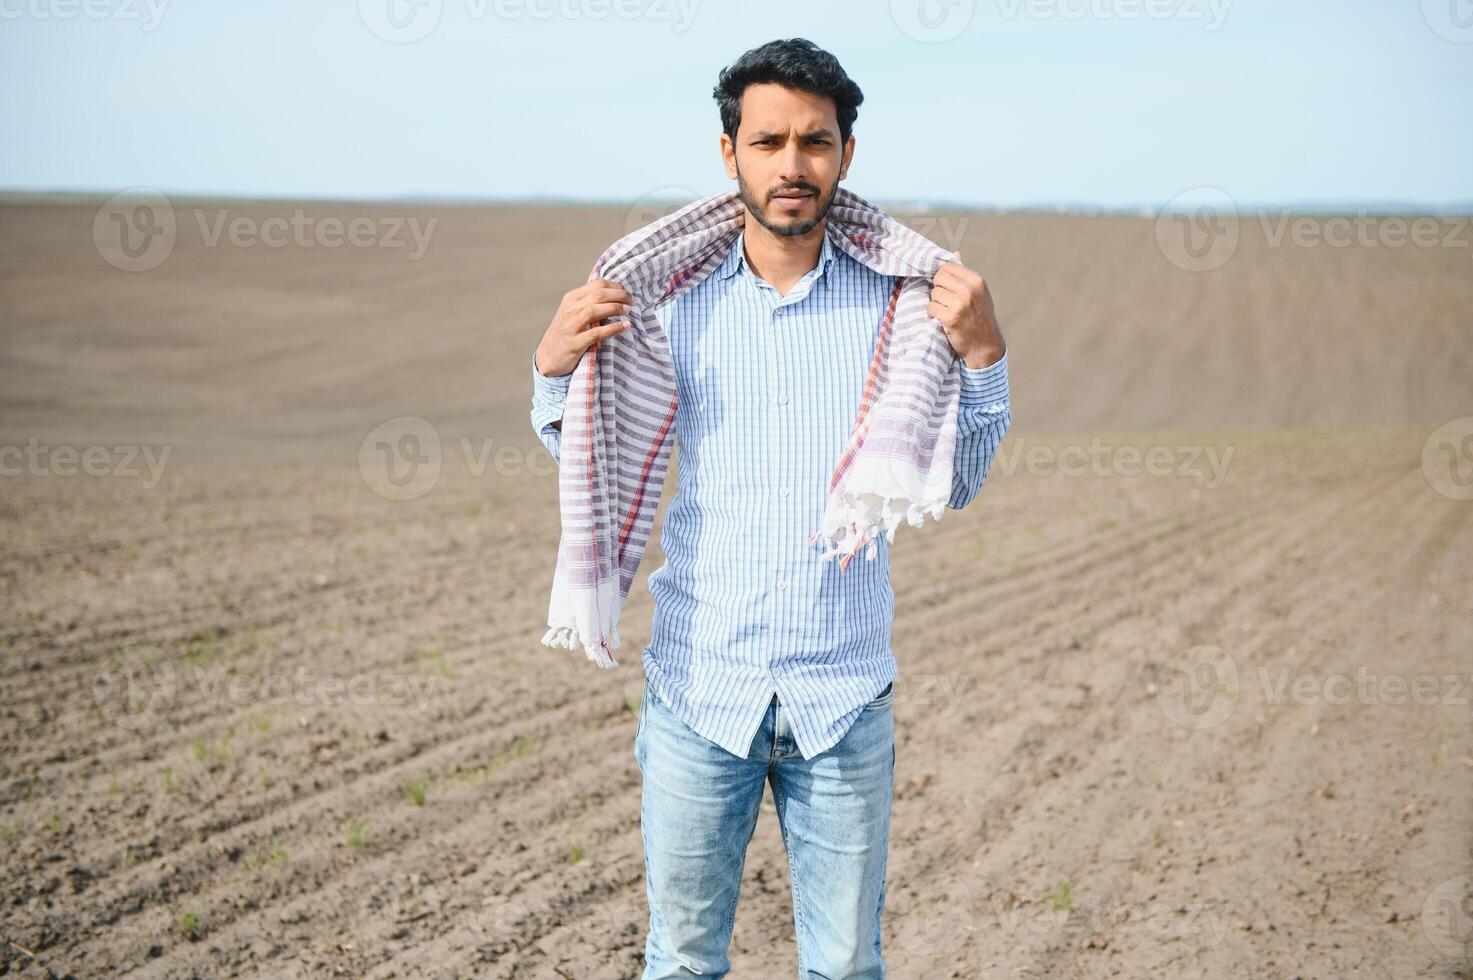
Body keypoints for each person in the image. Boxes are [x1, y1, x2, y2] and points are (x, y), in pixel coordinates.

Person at [529, 37, 1011, 980]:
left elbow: (952, 482)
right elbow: (589, 450)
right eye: (768, 141)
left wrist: (986, 359)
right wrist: (551, 371)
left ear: (845, 154)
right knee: (682, 962)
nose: (792, 165)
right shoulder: (668, 302)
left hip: (842, 699)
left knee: (843, 968)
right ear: (729, 154)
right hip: (699, 689)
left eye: (815, 142)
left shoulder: (904, 310)